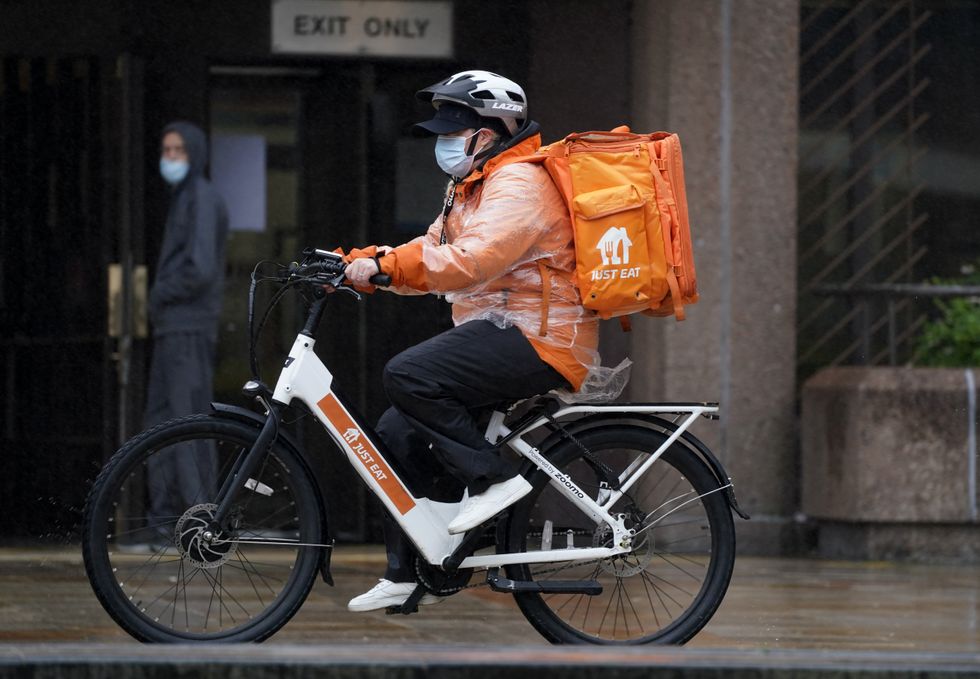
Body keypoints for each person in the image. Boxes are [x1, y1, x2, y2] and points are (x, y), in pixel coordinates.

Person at [340, 71, 600, 612]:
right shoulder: (474, 184)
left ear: (491, 131)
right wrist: (356, 263)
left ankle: (494, 480)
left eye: (454, 129)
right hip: (499, 331)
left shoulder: (519, 184)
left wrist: (385, 269)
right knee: (396, 430)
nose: (444, 140)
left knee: (408, 374)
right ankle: (409, 571)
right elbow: (429, 248)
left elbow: (471, 261)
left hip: (541, 338)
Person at [143, 121, 229, 541]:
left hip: (188, 326)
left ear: (194, 154)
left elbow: (200, 268)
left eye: (178, 150)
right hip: (173, 328)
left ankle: (198, 519)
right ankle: (163, 518)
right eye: (167, 150)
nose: (170, 158)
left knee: (186, 420)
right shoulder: (185, 198)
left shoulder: (201, 198)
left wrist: (159, 292)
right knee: (162, 420)